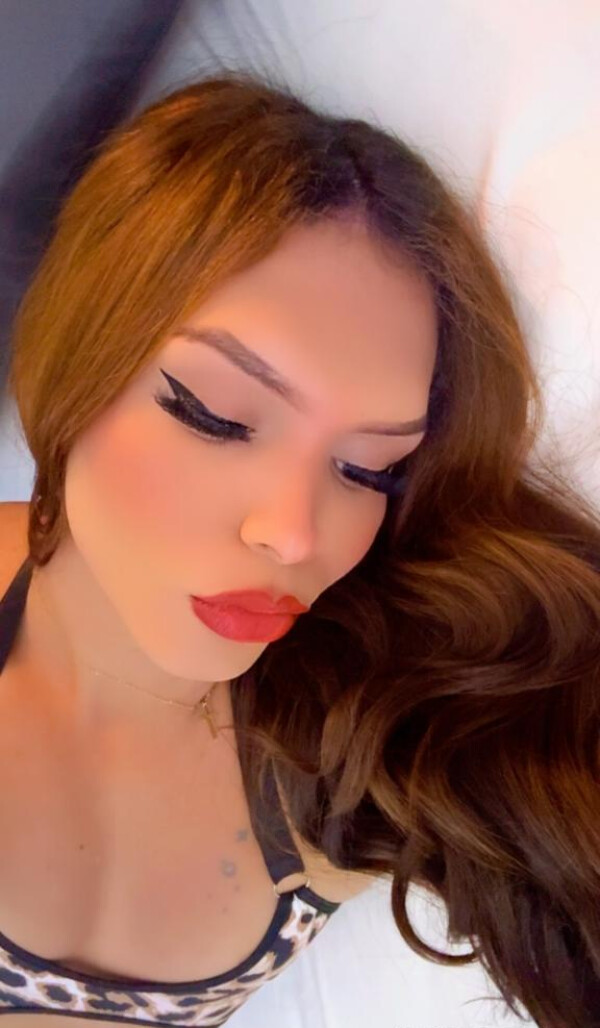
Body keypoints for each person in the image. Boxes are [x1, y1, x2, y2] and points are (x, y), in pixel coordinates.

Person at [3, 69, 600, 1028]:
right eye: (215, 414)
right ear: (76, 356)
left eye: (368, 470)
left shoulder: (359, 745)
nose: (292, 531)